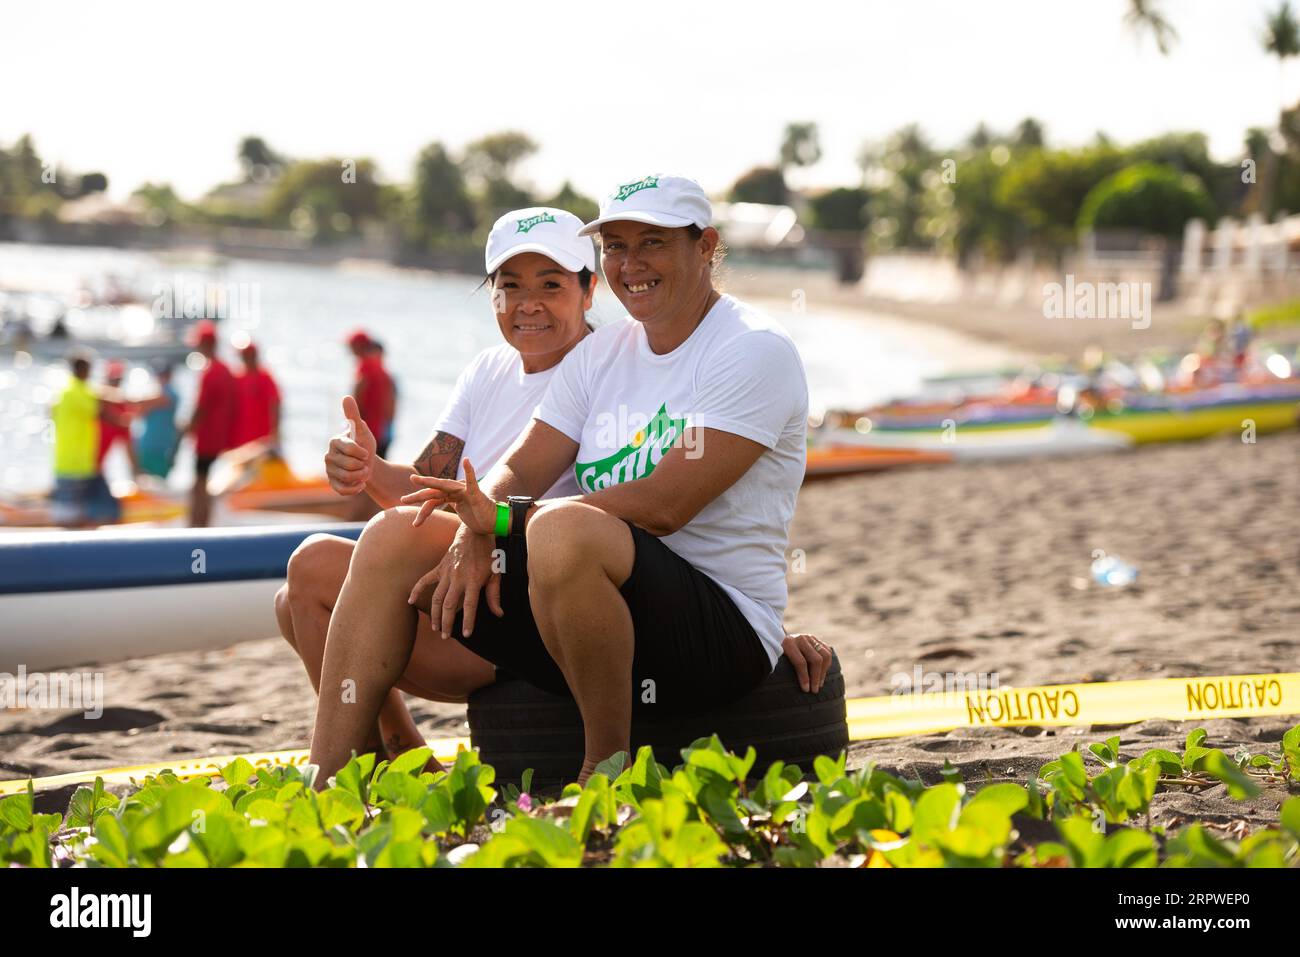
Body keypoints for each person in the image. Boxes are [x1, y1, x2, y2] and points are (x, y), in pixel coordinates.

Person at [306, 177, 830, 786]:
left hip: (719, 635)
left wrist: (499, 521)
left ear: (705, 246)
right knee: (393, 533)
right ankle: (327, 783)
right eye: (614, 246)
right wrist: (474, 525)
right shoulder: (599, 353)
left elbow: (665, 505)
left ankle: (603, 772)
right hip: (586, 627)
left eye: (652, 243)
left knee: (561, 526)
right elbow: (521, 468)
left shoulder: (751, 348)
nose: (630, 264)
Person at [49, 352, 121, 527]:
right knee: (70, 518)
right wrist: (127, 419)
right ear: (82, 369)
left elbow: (100, 394)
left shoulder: (68, 392)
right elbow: (101, 411)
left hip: (74, 463)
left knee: (78, 514)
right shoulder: (77, 392)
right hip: (75, 464)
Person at [182, 320, 237, 526]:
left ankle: (197, 526)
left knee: (199, 485)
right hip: (220, 438)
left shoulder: (211, 371)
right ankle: (204, 523)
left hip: (206, 439)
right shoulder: (225, 370)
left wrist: (187, 428)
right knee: (204, 482)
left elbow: (200, 408)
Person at [346, 330, 396, 458]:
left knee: (362, 472)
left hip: (369, 428)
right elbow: (391, 401)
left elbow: (358, 395)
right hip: (382, 429)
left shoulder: (365, 366)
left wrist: (353, 423)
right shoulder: (382, 369)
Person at [230, 339, 282, 448]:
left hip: (261, 438)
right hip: (240, 437)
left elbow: (275, 403)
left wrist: (275, 431)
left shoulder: (265, 377)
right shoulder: (237, 377)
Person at [134, 364, 180, 480]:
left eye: (164, 374)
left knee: (159, 482)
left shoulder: (171, 394)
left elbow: (146, 404)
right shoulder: (157, 393)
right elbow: (140, 411)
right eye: (160, 375)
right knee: (145, 481)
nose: (162, 377)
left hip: (162, 446)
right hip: (148, 444)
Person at [96, 360, 138, 475]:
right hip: (82, 464)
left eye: (117, 380)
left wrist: (136, 471)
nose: (115, 383)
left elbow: (128, 444)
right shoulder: (94, 401)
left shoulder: (122, 407)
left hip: (94, 468)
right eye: (112, 380)